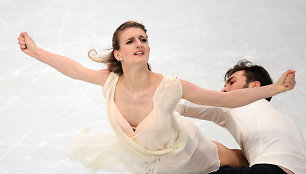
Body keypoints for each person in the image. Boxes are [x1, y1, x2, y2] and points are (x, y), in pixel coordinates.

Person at [18, 21, 296, 174]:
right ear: (118, 54)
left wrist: (274, 89)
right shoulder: (109, 81)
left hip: (185, 152)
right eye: (131, 41)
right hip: (145, 158)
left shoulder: (171, 86)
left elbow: (223, 100)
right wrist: (36, 51)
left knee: (230, 159)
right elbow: (75, 70)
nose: (139, 44)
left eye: (143, 39)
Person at [176, 60, 305, 174]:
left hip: (268, 169)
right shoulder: (287, 120)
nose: (223, 90)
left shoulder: (233, 105)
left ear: (254, 86)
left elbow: (183, 105)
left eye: (232, 82)